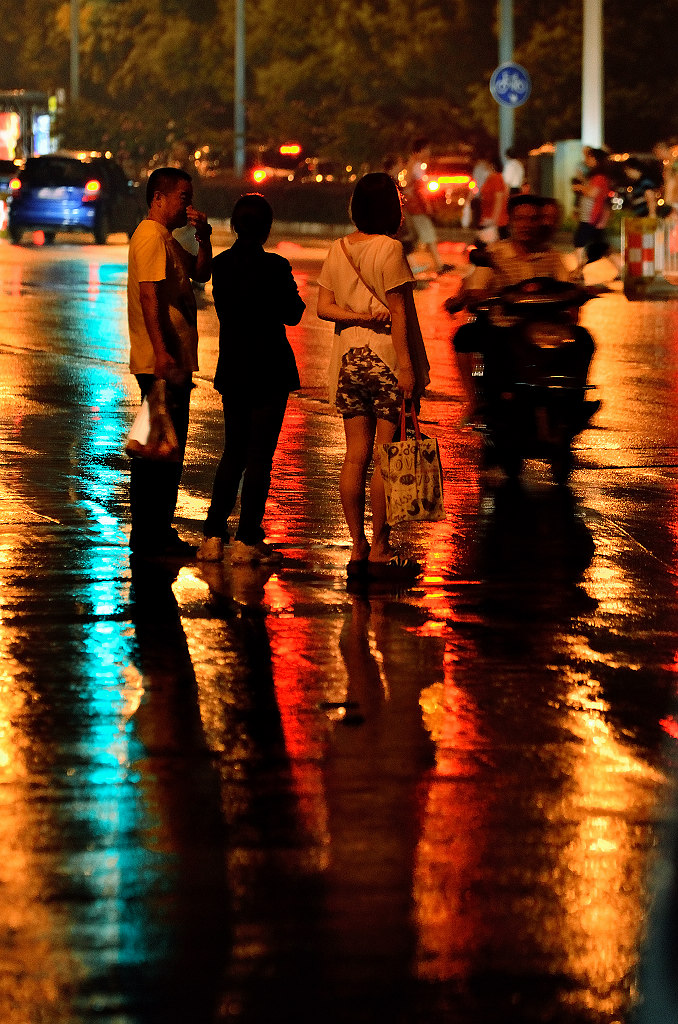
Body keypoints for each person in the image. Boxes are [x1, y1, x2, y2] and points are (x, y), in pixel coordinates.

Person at [317, 172, 429, 580]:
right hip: (384, 361)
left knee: (354, 455)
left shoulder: (338, 248)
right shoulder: (390, 249)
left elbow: (324, 308)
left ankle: (357, 546)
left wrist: (356, 316)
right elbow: (400, 312)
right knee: (386, 456)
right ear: (392, 208)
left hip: (347, 361)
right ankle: (380, 548)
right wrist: (408, 369)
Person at [197, 194, 305, 565]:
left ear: (234, 226)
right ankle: (247, 538)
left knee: (233, 453)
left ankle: (212, 535)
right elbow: (293, 315)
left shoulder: (222, 266)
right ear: (267, 229)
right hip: (270, 370)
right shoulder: (276, 267)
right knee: (260, 457)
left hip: (235, 368)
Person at [450, 194, 598, 425]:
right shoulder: (495, 255)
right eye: (521, 219)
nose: (526, 225)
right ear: (510, 221)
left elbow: (567, 284)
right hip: (506, 327)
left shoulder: (551, 257)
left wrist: (582, 292)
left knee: (583, 339)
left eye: (532, 219)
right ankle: (478, 403)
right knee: (479, 340)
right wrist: (475, 295)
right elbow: (476, 285)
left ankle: (575, 397)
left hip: (545, 329)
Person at [127, 166, 212, 558]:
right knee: (158, 456)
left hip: (173, 362)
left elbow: (200, 273)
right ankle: (151, 533)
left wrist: (204, 237)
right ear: (158, 198)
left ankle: (155, 531)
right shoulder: (149, 237)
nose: (188, 205)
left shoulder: (165, 238)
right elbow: (150, 298)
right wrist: (161, 352)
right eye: (183, 197)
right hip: (159, 363)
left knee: (162, 449)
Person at [403, 138, 452, 275]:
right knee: (428, 234)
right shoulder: (417, 166)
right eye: (427, 149)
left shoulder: (412, 164)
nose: (429, 152)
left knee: (413, 237)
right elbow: (419, 189)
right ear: (421, 150)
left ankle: (407, 262)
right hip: (416, 207)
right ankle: (439, 265)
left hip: (411, 206)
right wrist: (428, 206)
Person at [572, 147, 617, 274]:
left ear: (595, 159)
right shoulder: (597, 175)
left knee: (579, 241)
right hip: (593, 215)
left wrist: (580, 187)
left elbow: (593, 193)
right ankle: (620, 268)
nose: (586, 160)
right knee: (601, 246)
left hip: (592, 215)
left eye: (589, 157)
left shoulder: (599, 176)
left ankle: (579, 270)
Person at [476, 156, 509, 246]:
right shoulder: (490, 179)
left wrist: (494, 220)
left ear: (492, 165)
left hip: (495, 222)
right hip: (487, 219)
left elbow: (499, 200)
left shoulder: (497, 179)